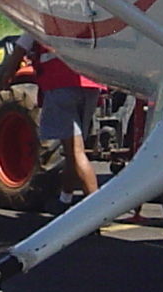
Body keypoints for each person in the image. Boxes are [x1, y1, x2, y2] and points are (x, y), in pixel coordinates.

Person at [17, 34, 102, 205]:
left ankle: (99, 210)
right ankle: (65, 199)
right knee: (72, 151)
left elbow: (18, 52)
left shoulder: (38, 23)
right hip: (91, 84)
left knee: (76, 152)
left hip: (60, 84)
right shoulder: (77, 21)